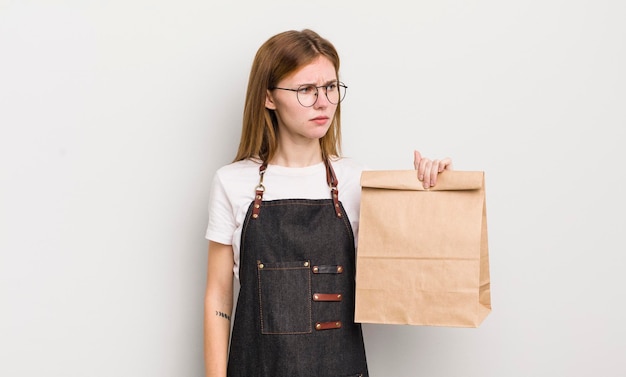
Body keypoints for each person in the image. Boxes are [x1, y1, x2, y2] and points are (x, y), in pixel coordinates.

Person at [204, 29, 452, 377]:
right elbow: (218, 296)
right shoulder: (232, 182)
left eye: (331, 87)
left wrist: (431, 192)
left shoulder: (357, 181)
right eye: (306, 90)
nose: (323, 102)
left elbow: (412, 275)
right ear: (269, 98)